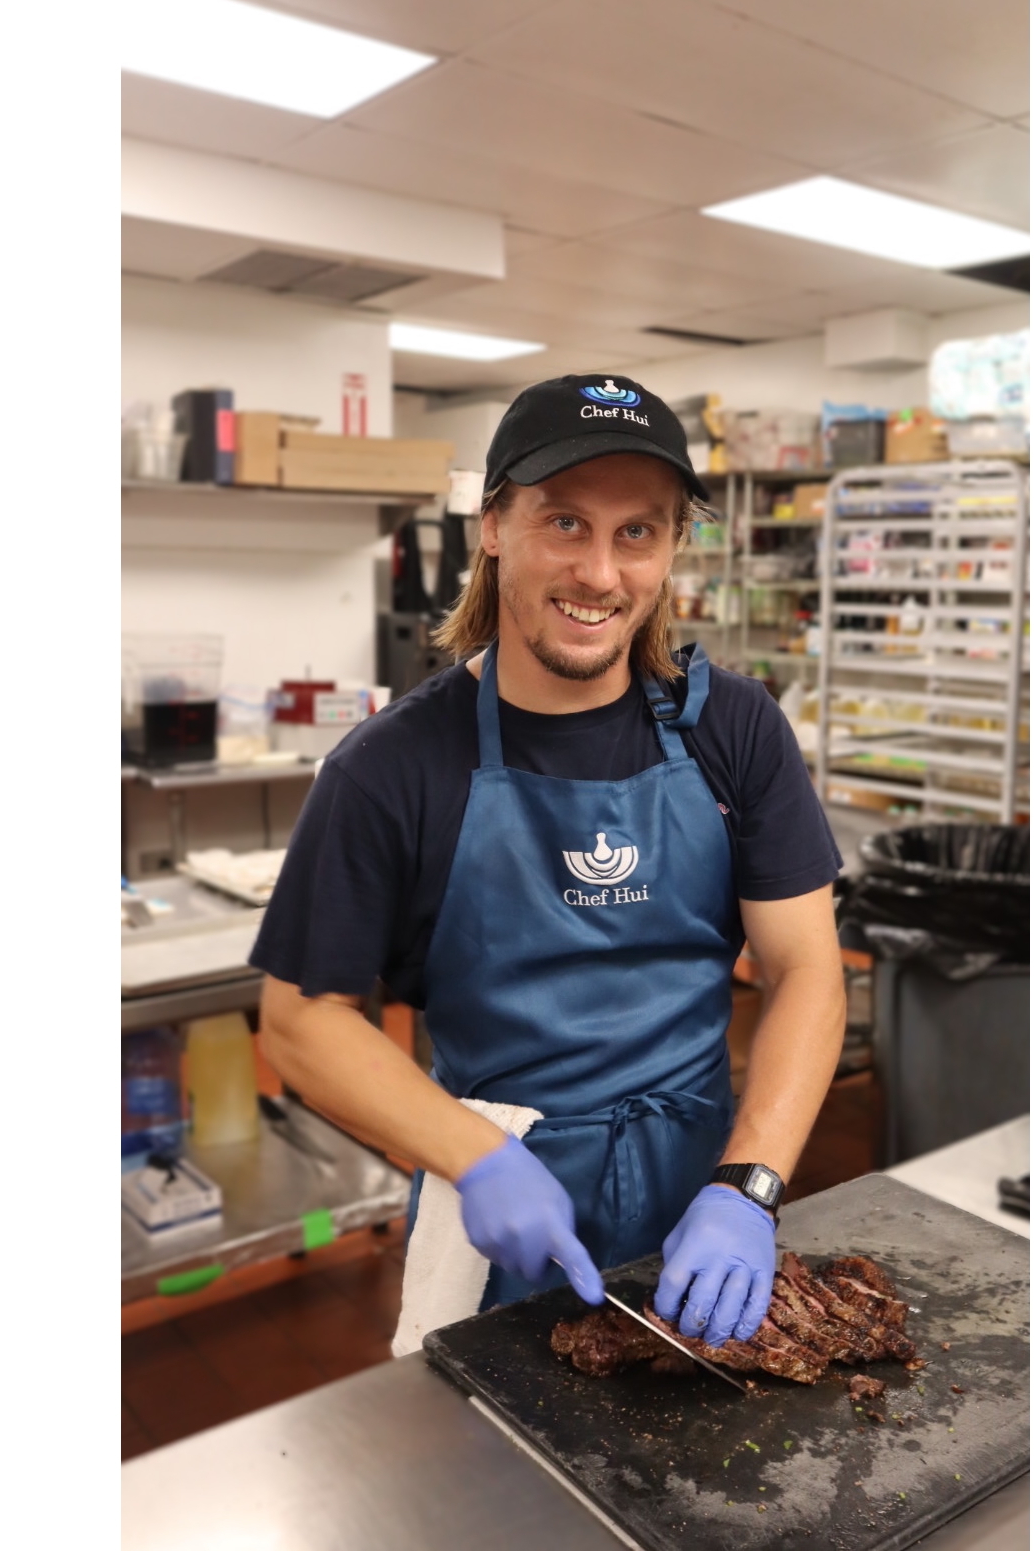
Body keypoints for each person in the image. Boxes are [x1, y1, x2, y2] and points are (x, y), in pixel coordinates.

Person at [250, 373, 847, 1350]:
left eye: (636, 533)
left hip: (705, 1207)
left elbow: (805, 969)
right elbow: (301, 1018)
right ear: (491, 524)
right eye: (564, 523)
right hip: (502, 1223)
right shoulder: (392, 766)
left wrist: (748, 1185)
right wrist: (475, 1157)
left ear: (669, 548)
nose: (601, 574)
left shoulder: (732, 731)